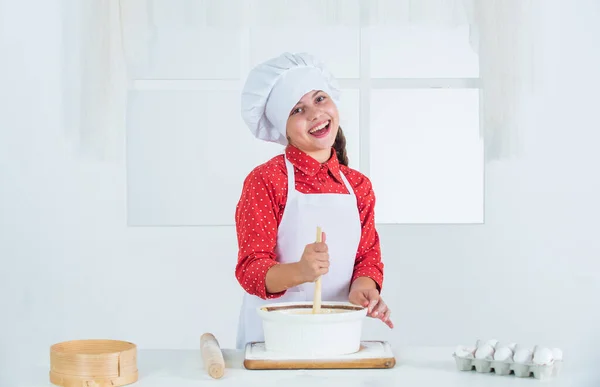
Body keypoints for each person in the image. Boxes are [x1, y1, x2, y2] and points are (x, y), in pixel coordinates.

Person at [234, 52, 392, 349]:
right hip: (275, 336)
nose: (315, 113)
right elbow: (251, 269)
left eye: (320, 99)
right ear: (284, 128)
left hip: (337, 333)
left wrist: (363, 288)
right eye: (297, 110)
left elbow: (367, 259)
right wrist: (300, 272)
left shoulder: (359, 186)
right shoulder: (266, 181)